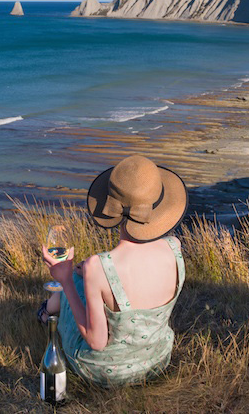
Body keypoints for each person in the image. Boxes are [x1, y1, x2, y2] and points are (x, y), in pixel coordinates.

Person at [39, 155, 188, 387]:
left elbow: (96, 342)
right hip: (156, 360)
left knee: (74, 287)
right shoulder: (174, 247)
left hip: (106, 372)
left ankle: (47, 313)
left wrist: (66, 280)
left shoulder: (97, 267)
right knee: (83, 279)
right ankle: (48, 311)